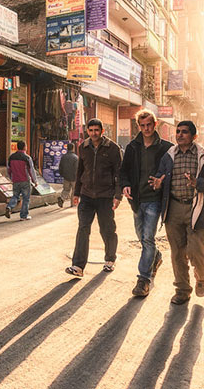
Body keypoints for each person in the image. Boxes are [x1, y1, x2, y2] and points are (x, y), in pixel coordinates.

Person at [151, 121, 204, 305]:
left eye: (184, 132)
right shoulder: (169, 156)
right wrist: (158, 184)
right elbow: (160, 176)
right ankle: (182, 290)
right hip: (174, 209)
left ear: (194, 136)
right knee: (177, 253)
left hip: (197, 209)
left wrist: (198, 183)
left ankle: (202, 276)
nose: (180, 135)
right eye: (178, 132)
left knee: (194, 250)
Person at [119, 109, 173, 297]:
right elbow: (123, 171)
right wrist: (125, 185)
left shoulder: (166, 147)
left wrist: (162, 180)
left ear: (155, 124)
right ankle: (156, 257)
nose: (146, 128)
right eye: (142, 126)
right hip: (136, 200)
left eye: (149, 125)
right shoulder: (133, 147)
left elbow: (172, 172)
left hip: (154, 200)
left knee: (148, 238)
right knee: (142, 238)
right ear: (138, 126)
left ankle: (143, 279)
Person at [65, 118, 122, 277]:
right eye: (91, 130)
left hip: (106, 196)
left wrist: (118, 195)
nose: (94, 133)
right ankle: (78, 266)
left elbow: (119, 173)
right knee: (83, 228)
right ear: (87, 131)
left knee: (107, 229)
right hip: (87, 195)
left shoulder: (112, 148)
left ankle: (110, 259)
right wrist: (76, 193)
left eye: (97, 130)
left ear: (102, 131)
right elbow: (79, 171)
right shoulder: (83, 147)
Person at [5, 141, 37, 220]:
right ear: (25, 147)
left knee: (15, 196)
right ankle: (23, 215)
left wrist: (11, 178)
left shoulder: (11, 157)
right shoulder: (27, 158)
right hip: (25, 180)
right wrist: (35, 181)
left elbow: (9, 170)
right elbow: (31, 170)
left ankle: (9, 207)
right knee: (26, 198)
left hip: (15, 180)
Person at [57, 143, 78, 208]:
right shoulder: (76, 157)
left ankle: (62, 198)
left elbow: (60, 166)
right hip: (74, 177)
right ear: (73, 148)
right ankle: (73, 204)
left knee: (66, 189)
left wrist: (62, 174)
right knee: (74, 190)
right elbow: (77, 168)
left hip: (66, 177)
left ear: (67, 148)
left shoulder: (63, 157)